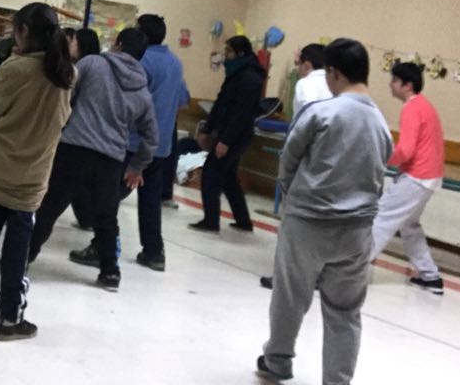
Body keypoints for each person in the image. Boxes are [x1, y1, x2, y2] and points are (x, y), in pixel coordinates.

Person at [257, 38, 393, 385]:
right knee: (345, 311)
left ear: (333, 72)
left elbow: (289, 161)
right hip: (356, 231)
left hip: (308, 223)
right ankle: (337, 380)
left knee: (290, 296)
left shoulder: (321, 113)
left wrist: (295, 198)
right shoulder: (380, 123)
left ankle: (278, 361)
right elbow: (379, 175)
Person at [0, 2, 74, 341]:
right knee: (17, 254)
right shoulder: (66, 74)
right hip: (33, 178)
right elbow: (64, 119)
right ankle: (10, 319)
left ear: (24, 32)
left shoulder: (15, 68)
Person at [28, 28, 158, 291]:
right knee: (106, 217)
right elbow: (152, 136)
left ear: (118, 44)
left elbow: (66, 95)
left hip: (74, 149)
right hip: (110, 160)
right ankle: (110, 273)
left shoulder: (92, 64)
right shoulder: (142, 91)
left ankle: (22, 258)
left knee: (49, 207)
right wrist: (137, 166)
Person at [70, 14, 187, 271]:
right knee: (150, 201)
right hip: (161, 145)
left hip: (132, 143)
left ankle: (102, 248)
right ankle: (154, 252)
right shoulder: (175, 63)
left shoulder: (140, 61)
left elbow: (122, 97)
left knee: (107, 198)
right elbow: (183, 99)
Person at [369, 62, 446, 294]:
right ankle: (430, 276)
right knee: (410, 226)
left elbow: (406, 150)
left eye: (394, 80)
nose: (390, 85)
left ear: (407, 85)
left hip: (416, 177)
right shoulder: (426, 106)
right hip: (429, 177)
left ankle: (347, 271)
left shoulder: (412, 108)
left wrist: (383, 159)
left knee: (380, 219)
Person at [190, 35, 264, 232]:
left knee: (211, 174)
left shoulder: (249, 77)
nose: (225, 55)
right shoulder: (237, 73)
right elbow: (222, 104)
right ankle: (243, 221)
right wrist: (207, 129)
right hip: (227, 133)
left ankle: (211, 221)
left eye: (229, 51)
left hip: (235, 136)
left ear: (240, 53)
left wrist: (225, 141)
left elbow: (241, 114)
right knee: (228, 177)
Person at [64, 27, 102, 230]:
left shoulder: (83, 65)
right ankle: (87, 219)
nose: (70, 45)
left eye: (73, 41)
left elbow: (69, 96)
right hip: (95, 134)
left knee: (65, 182)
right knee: (82, 182)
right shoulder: (101, 66)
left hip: (77, 131)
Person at [293, 42, 332, 116]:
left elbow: (311, 111)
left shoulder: (305, 83)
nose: (299, 70)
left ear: (306, 65)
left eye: (300, 65)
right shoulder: (334, 82)